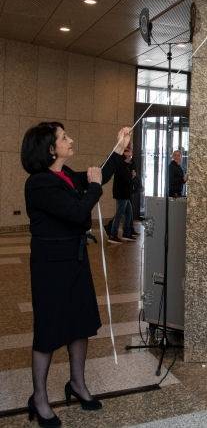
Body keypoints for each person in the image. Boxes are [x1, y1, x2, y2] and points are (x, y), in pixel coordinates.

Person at [21, 122, 131, 426]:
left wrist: (119, 146)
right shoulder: (39, 183)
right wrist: (94, 187)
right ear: (50, 149)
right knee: (48, 331)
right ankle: (39, 398)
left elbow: (99, 175)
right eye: (63, 137)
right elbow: (77, 212)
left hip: (74, 262)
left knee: (79, 324)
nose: (70, 140)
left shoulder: (65, 174)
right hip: (51, 267)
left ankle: (77, 384)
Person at [108, 144, 137, 243]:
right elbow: (124, 178)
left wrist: (131, 174)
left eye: (130, 151)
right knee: (119, 214)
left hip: (125, 193)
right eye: (128, 151)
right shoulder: (121, 163)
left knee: (129, 213)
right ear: (124, 153)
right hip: (121, 193)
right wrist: (132, 176)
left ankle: (126, 233)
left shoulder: (127, 163)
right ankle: (113, 235)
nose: (130, 154)